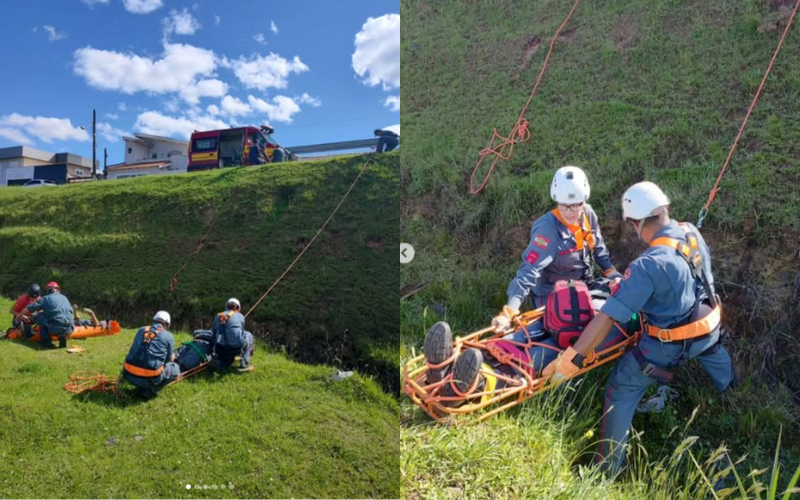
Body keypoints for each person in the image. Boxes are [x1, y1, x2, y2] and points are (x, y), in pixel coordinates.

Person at [543, 181, 735, 475]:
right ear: (664, 209)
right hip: (708, 328)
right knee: (713, 350)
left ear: (637, 223)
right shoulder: (690, 231)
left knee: (620, 389)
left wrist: (573, 360)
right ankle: (730, 389)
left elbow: (608, 317)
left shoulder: (649, 264)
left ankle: (606, 471)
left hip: (668, 346)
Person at [425, 167, 624, 384]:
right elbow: (527, 274)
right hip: (551, 300)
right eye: (564, 205)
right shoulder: (547, 231)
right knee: (546, 337)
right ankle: (469, 369)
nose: (570, 212)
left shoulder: (588, 215)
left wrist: (612, 274)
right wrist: (509, 312)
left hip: (581, 291)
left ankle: (469, 368)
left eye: (576, 205)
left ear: (584, 200)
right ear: (555, 201)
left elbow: (599, 249)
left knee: (579, 326)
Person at [122, 311, 180, 399]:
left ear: (154, 320)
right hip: (150, 379)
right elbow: (168, 360)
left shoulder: (141, 329)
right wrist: (172, 357)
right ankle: (150, 391)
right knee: (175, 368)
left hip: (128, 375)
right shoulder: (168, 336)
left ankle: (140, 385)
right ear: (167, 324)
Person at [25, 282, 73, 349]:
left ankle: (46, 342)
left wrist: (19, 316)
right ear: (58, 290)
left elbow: (30, 308)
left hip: (56, 328)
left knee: (41, 315)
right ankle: (62, 338)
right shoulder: (64, 297)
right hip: (70, 329)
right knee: (60, 318)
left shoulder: (45, 298)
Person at [211, 298, 255, 372]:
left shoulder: (218, 316)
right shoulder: (240, 316)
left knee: (225, 360)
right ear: (238, 307)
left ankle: (220, 363)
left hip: (220, 349)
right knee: (249, 335)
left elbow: (214, 333)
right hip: (236, 348)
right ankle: (245, 363)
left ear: (226, 306)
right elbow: (242, 333)